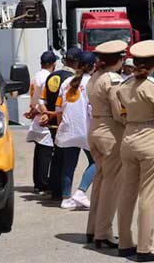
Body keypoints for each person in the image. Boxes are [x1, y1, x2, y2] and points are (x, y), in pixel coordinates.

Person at [117, 40, 154, 262]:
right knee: (148, 196)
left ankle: (124, 242)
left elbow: (120, 113)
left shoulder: (123, 86)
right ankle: (145, 247)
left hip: (129, 136)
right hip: (151, 137)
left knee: (127, 193)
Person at [86, 40, 127, 248]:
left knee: (101, 181)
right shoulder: (113, 79)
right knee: (112, 184)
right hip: (110, 131)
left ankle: (93, 228)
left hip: (94, 127)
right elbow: (119, 111)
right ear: (119, 60)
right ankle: (104, 232)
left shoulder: (94, 77)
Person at [38, 47, 83, 200]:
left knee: (56, 156)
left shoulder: (51, 76)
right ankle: (63, 192)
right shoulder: (73, 80)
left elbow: (42, 100)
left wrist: (46, 114)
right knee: (67, 159)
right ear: (77, 62)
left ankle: (54, 189)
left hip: (51, 123)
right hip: (64, 121)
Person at [55, 51, 97, 209]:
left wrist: (60, 128)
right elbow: (92, 110)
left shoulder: (66, 82)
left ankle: (66, 198)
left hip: (67, 128)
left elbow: (58, 108)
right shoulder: (91, 83)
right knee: (98, 161)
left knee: (69, 163)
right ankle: (80, 191)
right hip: (85, 128)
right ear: (93, 66)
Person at [25, 51, 57, 193]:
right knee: (45, 152)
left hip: (36, 115)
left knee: (39, 152)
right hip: (43, 116)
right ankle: (43, 183)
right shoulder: (47, 78)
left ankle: (38, 182)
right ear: (52, 64)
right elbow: (43, 100)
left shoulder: (36, 76)